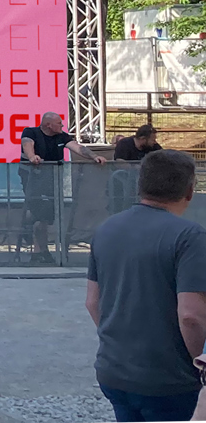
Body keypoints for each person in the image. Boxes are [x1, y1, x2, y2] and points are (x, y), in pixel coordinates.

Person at [85, 149, 206, 421]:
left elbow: (93, 302)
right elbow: (191, 316)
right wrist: (201, 364)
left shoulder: (106, 229)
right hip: (170, 381)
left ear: (140, 185)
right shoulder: (190, 237)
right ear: (189, 191)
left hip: (114, 373)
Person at [22, 111, 103, 262]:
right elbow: (27, 144)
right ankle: (39, 250)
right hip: (33, 180)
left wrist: (94, 156)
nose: (62, 125)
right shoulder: (31, 132)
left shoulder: (61, 136)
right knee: (40, 214)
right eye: (59, 123)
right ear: (48, 125)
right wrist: (32, 157)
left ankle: (34, 236)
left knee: (47, 216)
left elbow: (78, 147)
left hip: (52, 180)